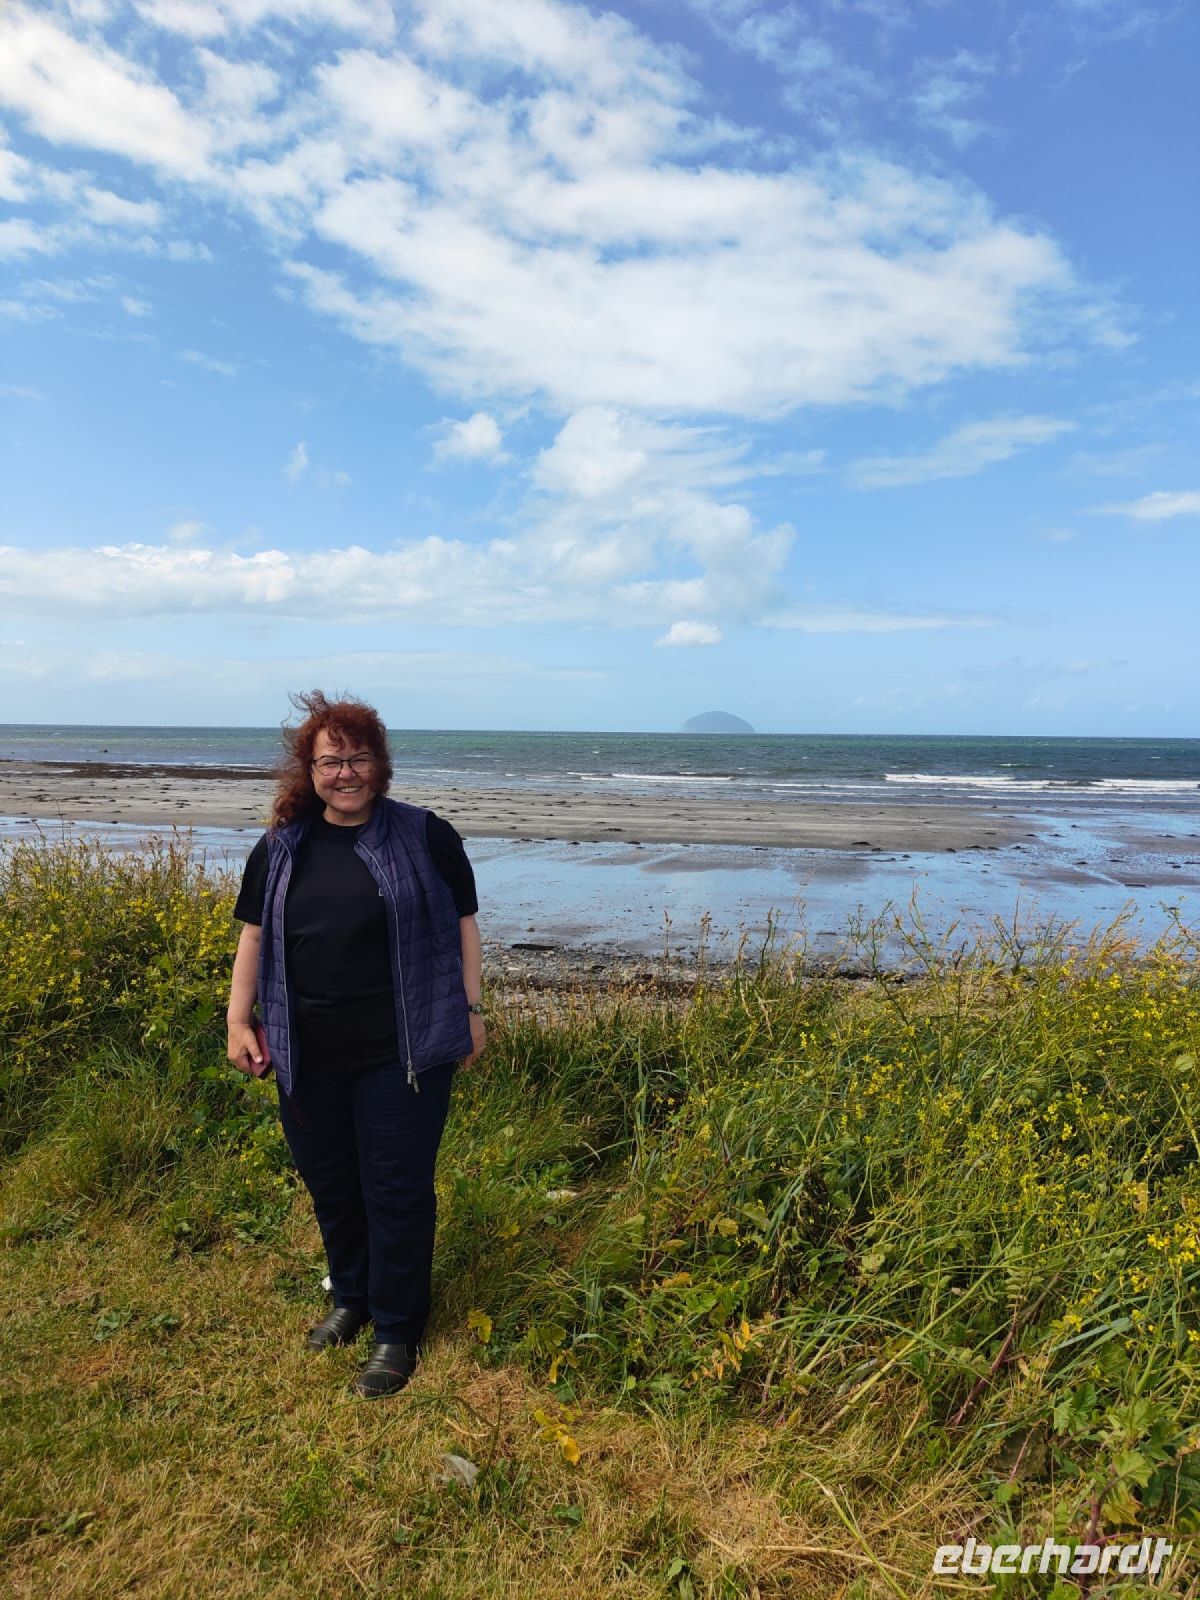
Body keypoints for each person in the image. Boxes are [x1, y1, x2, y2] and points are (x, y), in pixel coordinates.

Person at [225, 690, 486, 1398]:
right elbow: (253, 935)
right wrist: (239, 1020)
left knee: (396, 1191)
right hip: (305, 1052)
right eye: (331, 762)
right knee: (333, 1184)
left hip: (402, 1053)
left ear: (380, 765)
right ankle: (352, 1298)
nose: (346, 773)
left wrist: (472, 1010)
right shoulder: (282, 846)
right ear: (310, 771)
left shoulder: (426, 835)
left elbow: (465, 923)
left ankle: (397, 1329)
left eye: (359, 759)